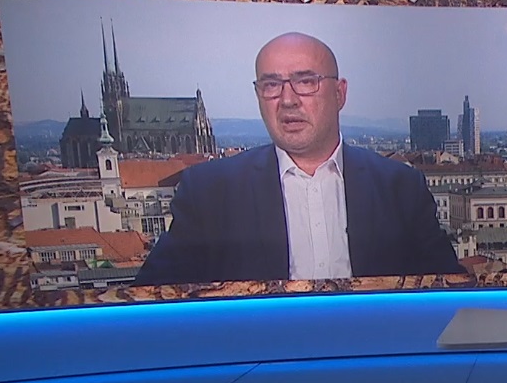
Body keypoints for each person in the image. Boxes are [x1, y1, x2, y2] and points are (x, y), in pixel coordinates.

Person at [133, 32, 464, 286]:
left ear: (339, 94)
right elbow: (150, 301)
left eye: (306, 82)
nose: (287, 100)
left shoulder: (400, 187)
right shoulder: (209, 191)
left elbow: (446, 294)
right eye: (271, 85)